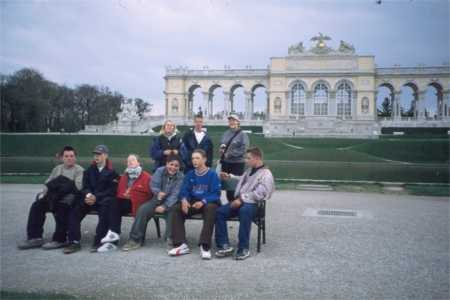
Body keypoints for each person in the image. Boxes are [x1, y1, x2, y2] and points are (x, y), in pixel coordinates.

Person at [18, 146, 84, 250]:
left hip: (67, 199)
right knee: (37, 206)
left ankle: (59, 239)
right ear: (62, 158)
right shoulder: (57, 169)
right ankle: (35, 237)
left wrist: (57, 185)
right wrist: (49, 187)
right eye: (66, 156)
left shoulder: (79, 170)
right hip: (53, 197)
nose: (69, 158)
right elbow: (47, 184)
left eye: (72, 156)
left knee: (61, 207)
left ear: (75, 158)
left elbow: (77, 187)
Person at [215, 147, 274, 260]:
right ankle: (224, 245)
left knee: (244, 211)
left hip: (255, 205)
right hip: (241, 201)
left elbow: (260, 194)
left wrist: (241, 199)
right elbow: (242, 179)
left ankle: (243, 248)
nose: (246, 160)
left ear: (257, 158)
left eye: (248, 158)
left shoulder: (266, 174)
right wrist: (230, 177)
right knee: (220, 212)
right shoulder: (249, 170)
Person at [64, 145, 119, 254]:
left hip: (102, 200)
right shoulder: (89, 171)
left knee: (105, 211)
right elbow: (85, 187)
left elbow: (111, 191)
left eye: (100, 154)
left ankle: (99, 241)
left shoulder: (113, 173)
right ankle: (74, 242)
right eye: (95, 154)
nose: (97, 156)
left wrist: (96, 197)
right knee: (75, 210)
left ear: (106, 156)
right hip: (89, 200)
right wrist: (88, 195)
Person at [121, 155, 184, 251]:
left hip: (172, 202)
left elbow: (176, 194)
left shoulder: (180, 176)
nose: (173, 168)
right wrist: (158, 193)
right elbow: (153, 184)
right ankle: (135, 239)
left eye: (176, 166)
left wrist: (165, 205)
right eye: (171, 164)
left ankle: (169, 239)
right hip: (157, 198)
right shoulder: (160, 171)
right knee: (143, 210)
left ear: (179, 167)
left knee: (173, 212)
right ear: (167, 164)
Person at [168, 149, 221, 259]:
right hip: (193, 202)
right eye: (193, 158)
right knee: (176, 209)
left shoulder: (212, 174)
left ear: (205, 159)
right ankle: (181, 244)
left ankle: (205, 246)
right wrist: (184, 200)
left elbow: (216, 193)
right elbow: (184, 190)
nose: (194, 161)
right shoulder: (190, 174)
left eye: (197, 158)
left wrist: (203, 202)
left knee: (211, 209)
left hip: (207, 202)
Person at [99, 154, 153, 252]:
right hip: (126, 202)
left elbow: (149, 195)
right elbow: (120, 191)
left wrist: (132, 194)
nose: (130, 162)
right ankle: (113, 235)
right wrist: (125, 194)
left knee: (139, 209)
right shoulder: (125, 176)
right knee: (112, 202)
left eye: (132, 160)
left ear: (139, 163)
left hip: (139, 203)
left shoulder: (146, 177)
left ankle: (135, 239)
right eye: (128, 161)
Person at [219, 113, 249, 202]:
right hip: (226, 163)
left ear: (238, 122)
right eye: (230, 120)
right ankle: (230, 205)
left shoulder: (243, 135)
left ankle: (235, 205)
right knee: (227, 186)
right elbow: (222, 145)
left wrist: (231, 153)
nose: (231, 122)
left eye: (233, 120)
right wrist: (221, 150)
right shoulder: (225, 133)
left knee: (235, 186)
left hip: (237, 163)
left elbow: (244, 149)